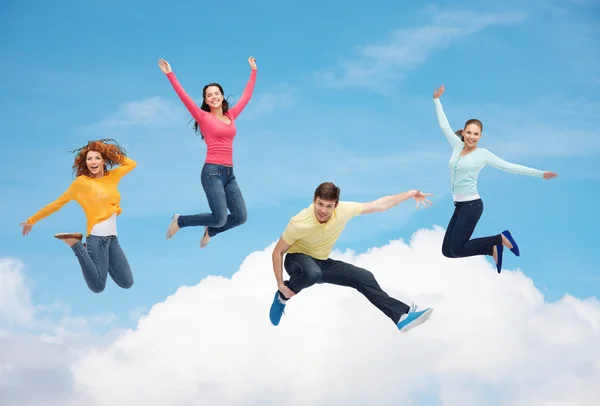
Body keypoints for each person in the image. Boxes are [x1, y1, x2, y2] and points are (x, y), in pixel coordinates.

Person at [269, 182, 435, 333]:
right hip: (296, 260)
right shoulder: (299, 222)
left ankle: (401, 316)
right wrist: (280, 284)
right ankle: (282, 297)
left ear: (336, 205)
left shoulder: (344, 210)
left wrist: (409, 194)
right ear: (314, 200)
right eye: (320, 204)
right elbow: (278, 252)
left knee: (363, 277)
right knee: (312, 273)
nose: (323, 211)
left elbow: (380, 205)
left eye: (329, 206)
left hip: (322, 262)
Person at [433, 84, 558, 273]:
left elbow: (509, 167)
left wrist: (539, 173)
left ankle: (499, 239)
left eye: (476, 134)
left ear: (480, 136)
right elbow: (444, 125)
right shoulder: (456, 146)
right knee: (447, 251)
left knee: (457, 248)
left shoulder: (483, 154)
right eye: (468, 132)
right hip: (459, 206)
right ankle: (491, 248)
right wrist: (436, 100)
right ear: (464, 132)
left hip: (472, 206)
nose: (471, 137)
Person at [157, 56, 257, 248]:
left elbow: (247, 96)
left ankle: (210, 231)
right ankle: (180, 221)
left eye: (216, 93)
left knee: (241, 217)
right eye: (209, 95)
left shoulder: (231, 115)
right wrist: (170, 74)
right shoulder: (202, 117)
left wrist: (253, 71)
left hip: (229, 174)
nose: (213, 97)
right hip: (212, 173)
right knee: (219, 217)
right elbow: (183, 97)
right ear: (205, 100)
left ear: (222, 95)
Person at [20, 139, 136, 293]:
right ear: (85, 162)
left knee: (127, 282)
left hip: (113, 240)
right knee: (98, 286)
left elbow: (131, 164)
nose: (93, 162)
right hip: (97, 238)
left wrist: (108, 151)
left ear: (103, 160)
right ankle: (76, 244)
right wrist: (31, 220)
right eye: (89, 159)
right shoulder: (81, 183)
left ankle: (95, 259)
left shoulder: (112, 177)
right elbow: (58, 203)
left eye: (97, 158)